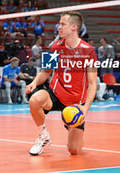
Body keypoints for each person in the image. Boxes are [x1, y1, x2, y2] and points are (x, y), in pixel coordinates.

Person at [26, 11, 97, 156]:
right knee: (34, 99)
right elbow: (46, 72)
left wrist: (85, 109)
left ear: (74, 27)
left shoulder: (88, 51)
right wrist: (34, 82)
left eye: (62, 24)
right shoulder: (55, 47)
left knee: (74, 150)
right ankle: (43, 136)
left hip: (76, 103)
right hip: (56, 94)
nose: (58, 27)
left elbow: (92, 84)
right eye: (59, 23)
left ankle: (74, 127)